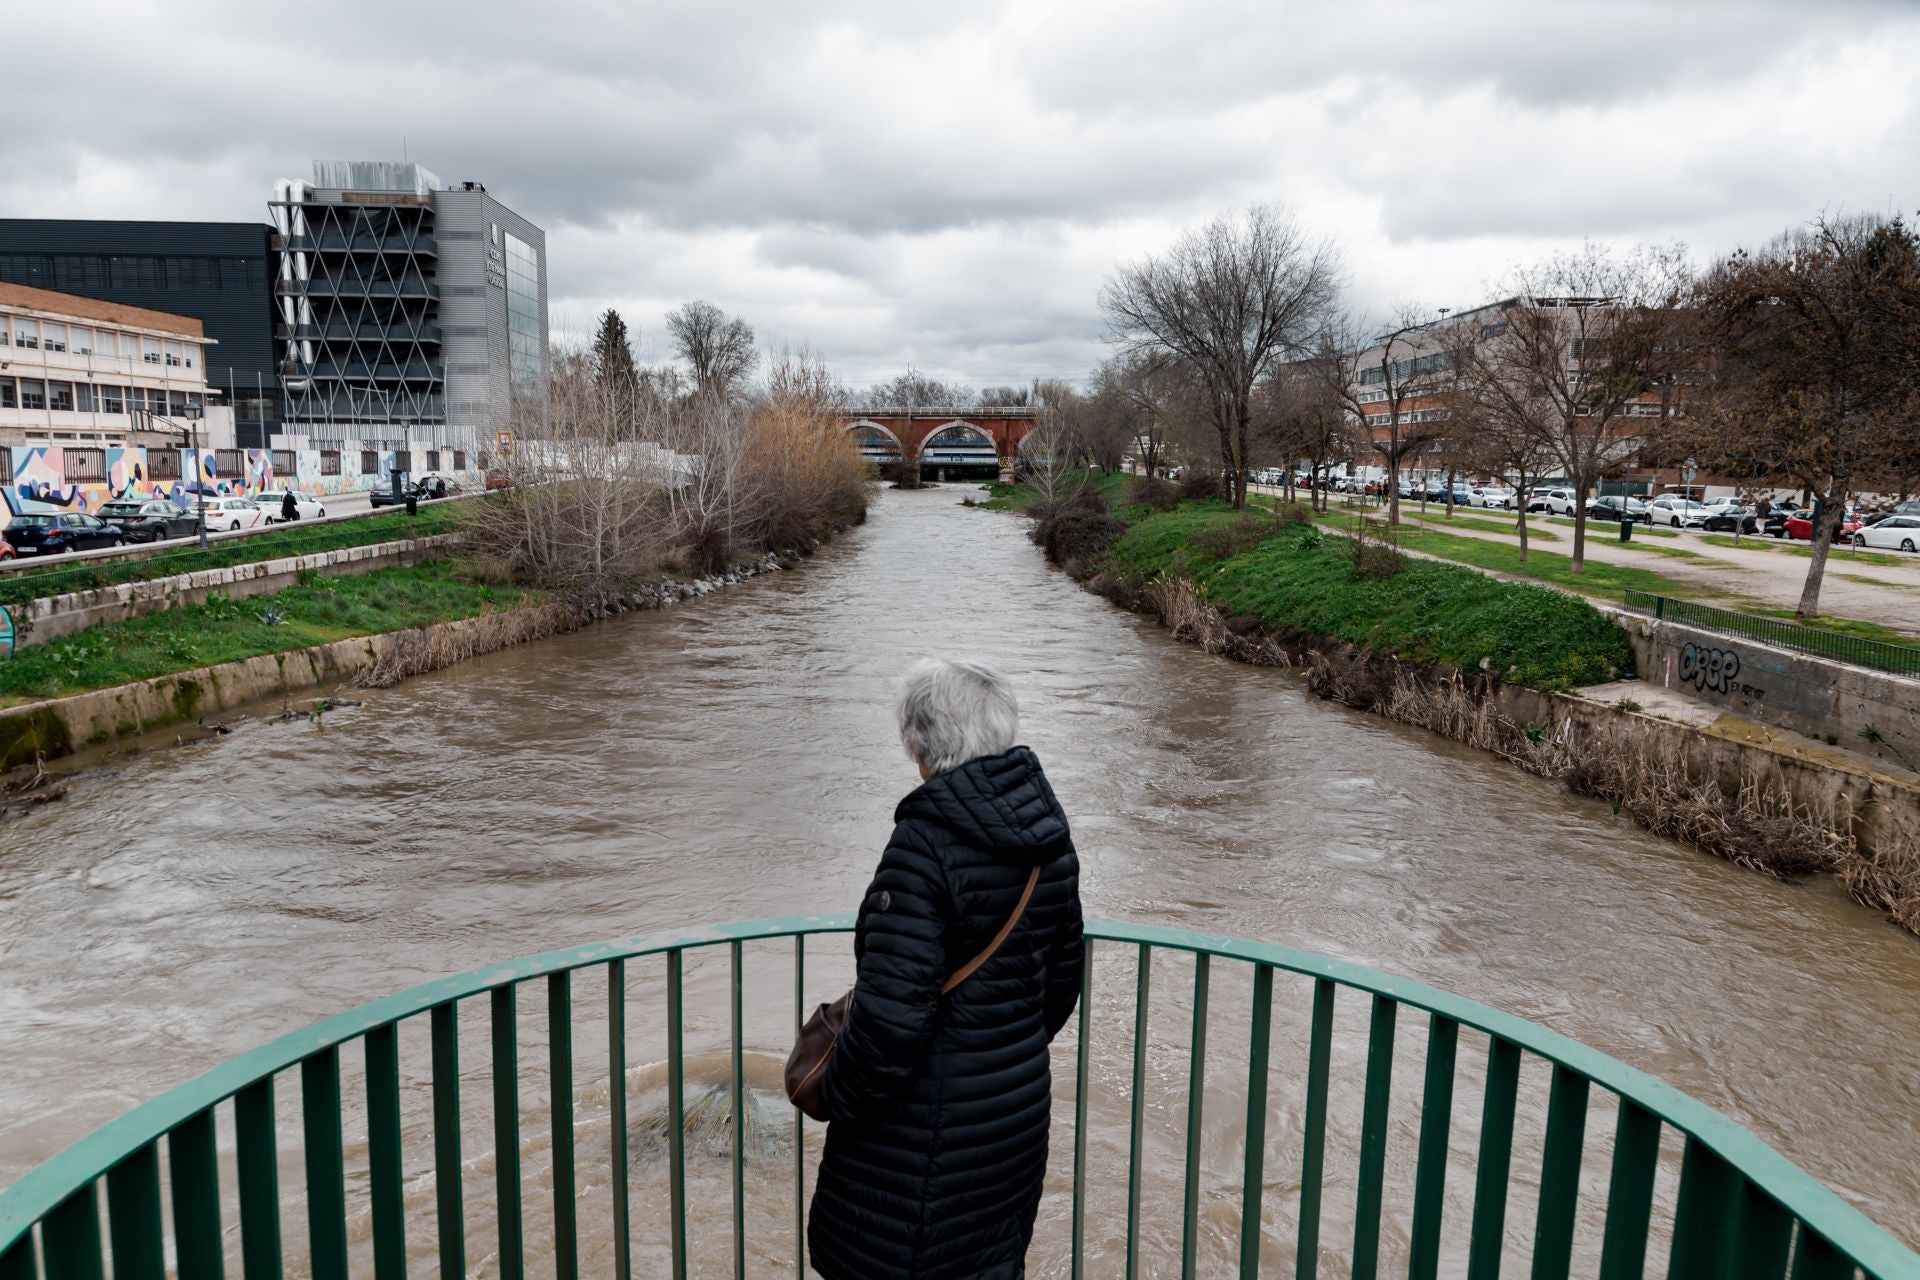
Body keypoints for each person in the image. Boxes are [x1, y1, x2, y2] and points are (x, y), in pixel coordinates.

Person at [808, 658, 1083, 1280]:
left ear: (919, 741)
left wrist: (833, 1095)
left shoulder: (924, 843)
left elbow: (889, 1023)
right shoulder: (1048, 835)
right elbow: (1061, 986)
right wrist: (996, 1054)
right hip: (1011, 1117)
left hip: (918, 1137)